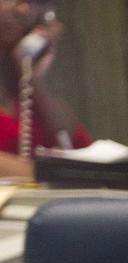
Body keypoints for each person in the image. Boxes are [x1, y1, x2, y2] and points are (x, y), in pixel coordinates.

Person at [0, 0, 90, 177]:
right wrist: (55, 175)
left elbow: (74, 145)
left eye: (37, 2)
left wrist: (35, 80)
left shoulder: (24, 85)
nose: (23, 9)